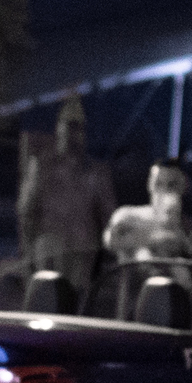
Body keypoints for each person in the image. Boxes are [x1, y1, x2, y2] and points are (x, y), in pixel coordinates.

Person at [16, 98, 116, 285]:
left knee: (76, 303)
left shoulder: (96, 171)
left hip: (83, 252)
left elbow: (108, 216)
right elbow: (27, 213)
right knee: (48, 297)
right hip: (49, 249)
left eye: (77, 127)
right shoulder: (42, 166)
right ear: (58, 128)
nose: (72, 133)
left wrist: (108, 258)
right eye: (68, 126)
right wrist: (27, 257)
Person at [103, 163, 192, 263]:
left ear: (184, 186)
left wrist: (182, 239)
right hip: (136, 283)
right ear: (149, 184)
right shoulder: (127, 216)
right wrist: (158, 238)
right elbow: (110, 241)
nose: (164, 190)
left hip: (176, 284)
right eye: (158, 183)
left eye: (171, 185)